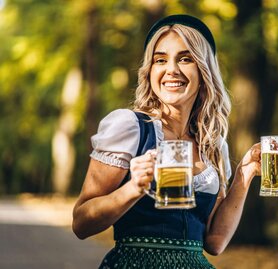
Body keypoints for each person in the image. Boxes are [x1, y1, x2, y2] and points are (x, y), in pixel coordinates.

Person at [72, 14, 261, 269]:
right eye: (160, 60)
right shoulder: (131, 127)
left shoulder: (213, 146)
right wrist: (133, 189)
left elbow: (214, 242)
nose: (171, 69)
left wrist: (243, 176)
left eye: (185, 58)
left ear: (204, 70)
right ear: (150, 70)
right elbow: (81, 223)